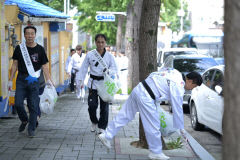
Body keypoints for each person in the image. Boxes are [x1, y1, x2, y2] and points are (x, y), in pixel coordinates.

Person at [98, 68, 203, 160]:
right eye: (193, 86)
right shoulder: (179, 86)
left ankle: (107, 135)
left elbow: (154, 74)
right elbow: (177, 108)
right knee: (153, 125)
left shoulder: (175, 72)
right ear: (190, 81)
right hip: (147, 96)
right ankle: (156, 152)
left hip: (140, 88)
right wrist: (181, 128)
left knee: (124, 115)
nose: (191, 89)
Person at [8, 25, 53, 138]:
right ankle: (24, 120)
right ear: (24, 35)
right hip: (21, 79)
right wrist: (10, 79)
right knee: (18, 103)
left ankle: (31, 128)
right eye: (27, 33)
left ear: (35, 35)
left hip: (34, 80)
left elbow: (45, 67)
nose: (30, 36)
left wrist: (49, 80)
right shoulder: (19, 48)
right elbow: (14, 64)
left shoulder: (40, 49)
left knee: (33, 105)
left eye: (32, 33)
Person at [76, 34, 118, 134]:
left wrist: (108, 71)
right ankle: (94, 121)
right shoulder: (90, 54)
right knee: (92, 105)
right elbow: (83, 69)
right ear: (95, 42)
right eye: (98, 42)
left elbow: (115, 69)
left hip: (105, 83)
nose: (100, 44)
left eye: (102, 42)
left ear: (105, 43)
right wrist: (80, 81)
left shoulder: (109, 56)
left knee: (104, 106)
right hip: (93, 83)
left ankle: (102, 126)